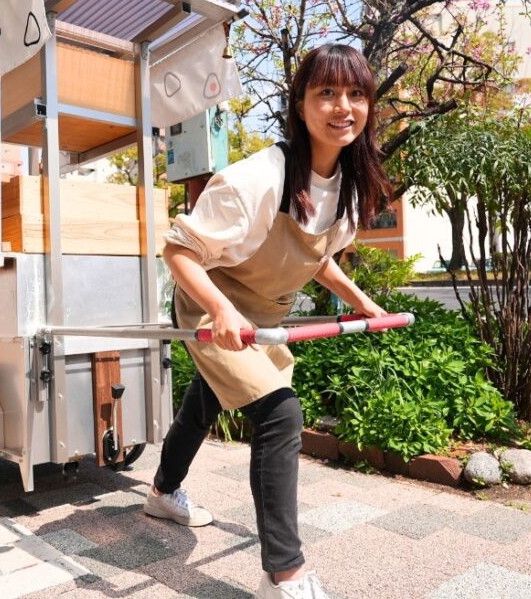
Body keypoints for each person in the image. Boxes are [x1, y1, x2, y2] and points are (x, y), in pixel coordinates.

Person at [145, 44, 390, 599]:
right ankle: (285, 571)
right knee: (281, 412)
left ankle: (162, 491)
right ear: (300, 105)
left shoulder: (351, 185)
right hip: (214, 301)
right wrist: (219, 309)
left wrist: (364, 303)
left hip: (263, 313)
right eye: (325, 93)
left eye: (355, 94)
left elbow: (317, 258)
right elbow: (179, 250)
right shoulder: (257, 178)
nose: (342, 106)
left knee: (206, 401)